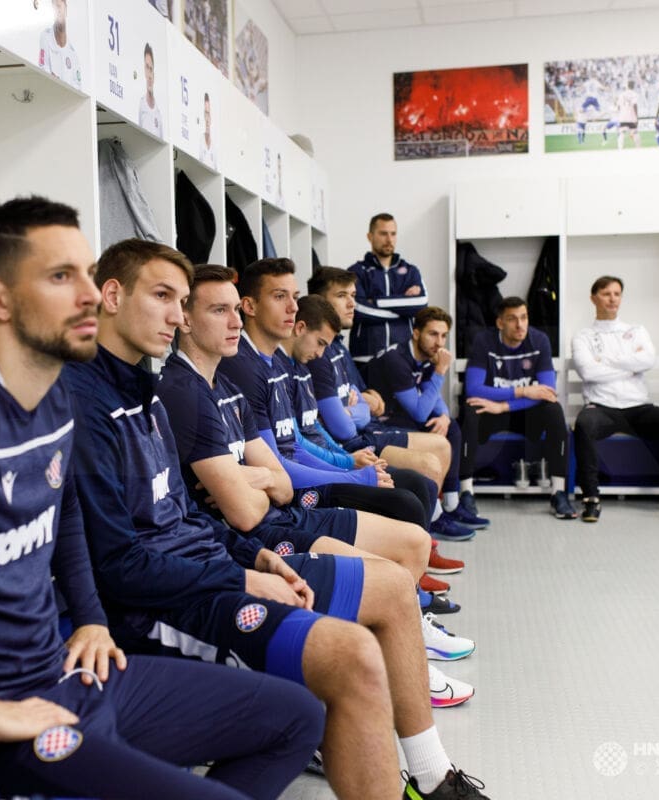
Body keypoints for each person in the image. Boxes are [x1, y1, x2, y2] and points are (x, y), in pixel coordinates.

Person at [0, 198, 324, 800]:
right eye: (61, 277)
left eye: (85, 273)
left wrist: (90, 620)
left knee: (296, 717)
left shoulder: (53, 393)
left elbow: (67, 512)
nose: (88, 294)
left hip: (65, 668)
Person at [64, 240, 490, 800]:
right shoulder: (91, 401)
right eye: (164, 297)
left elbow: (191, 514)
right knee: (354, 656)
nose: (175, 315)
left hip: (219, 563)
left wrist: (255, 558)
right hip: (165, 605)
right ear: (112, 296)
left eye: (182, 300)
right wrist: (243, 573)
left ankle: (432, 776)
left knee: (382, 598)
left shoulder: (148, 391)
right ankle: (431, 777)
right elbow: (120, 563)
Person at [157, 266, 476, 668]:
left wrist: (253, 477)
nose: (235, 321)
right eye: (220, 310)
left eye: (234, 309)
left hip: (279, 511)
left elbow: (282, 481)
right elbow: (245, 512)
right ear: (185, 319)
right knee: (394, 569)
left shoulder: (229, 385)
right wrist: (272, 480)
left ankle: (406, 639)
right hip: (253, 534)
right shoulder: (186, 391)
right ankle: (400, 651)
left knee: (412, 540)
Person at [219, 260, 473, 547]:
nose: (292, 306)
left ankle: (421, 550)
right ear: (250, 306)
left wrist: (348, 462)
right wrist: (350, 470)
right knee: (406, 499)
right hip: (287, 492)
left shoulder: (280, 362)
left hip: (313, 464)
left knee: (418, 483)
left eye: (294, 296)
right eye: (280, 296)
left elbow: (299, 438)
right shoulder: (248, 367)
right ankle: (416, 553)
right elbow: (286, 456)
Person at [570, 277, 659, 523]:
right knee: (583, 424)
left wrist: (605, 361)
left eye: (617, 294)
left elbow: (647, 360)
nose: (612, 299)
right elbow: (589, 372)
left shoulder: (636, 330)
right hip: (602, 408)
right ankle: (591, 499)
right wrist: (629, 366)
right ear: (593, 298)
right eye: (606, 294)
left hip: (638, 408)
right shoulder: (583, 336)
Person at [367, 305, 490, 530]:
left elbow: (432, 399)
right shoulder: (396, 359)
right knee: (435, 431)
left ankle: (452, 504)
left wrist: (444, 415)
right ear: (416, 333)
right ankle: (435, 516)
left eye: (443, 336)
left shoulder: (426, 357)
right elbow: (420, 412)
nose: (439, 342)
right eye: (433, 334)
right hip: (379, 424)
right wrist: (440, 371)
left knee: (450, 427)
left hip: (402, 415)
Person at [462, 297, 576, 519]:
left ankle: (559, 492)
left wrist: (504, 406)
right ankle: (466, 492)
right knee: (470, 410)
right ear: (500, 323)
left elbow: (547, 392)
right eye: (512, 319)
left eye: (524, 318)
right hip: (492, 412)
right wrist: (522, 391)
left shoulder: (539, 340)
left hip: (522, 413)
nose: (520, 325)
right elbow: (474, 389)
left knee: (553, 409)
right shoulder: (484, 341)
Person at [347, 214, 429, 371]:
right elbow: (358, 309)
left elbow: (421, 304)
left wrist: (375, 301)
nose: (389, 239)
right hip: (366, 358)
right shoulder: (356, 272)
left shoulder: (411, 271)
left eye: (393, 234)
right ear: (370, 236)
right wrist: (403, 309)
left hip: (403, 357)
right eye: (383, 233)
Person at [39, 0, 82, 90]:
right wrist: (53, 79)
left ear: (66, 9)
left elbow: (78, 87)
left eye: (59, 6)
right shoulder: (46, 37)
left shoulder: (73, 53)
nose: (57, 11)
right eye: (54, 8)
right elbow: (42, 67)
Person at [137, 43, 164, 138]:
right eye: (147, 68)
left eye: (151, 69)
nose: (149, 75)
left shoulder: (159, 113)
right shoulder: (140, 105)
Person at [615, 79, 640, 149]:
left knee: (622, 132)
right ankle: (638, 148)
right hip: (631, 116)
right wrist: (636, 117)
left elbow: (618, 107)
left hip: (623, 116)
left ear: (627, 86)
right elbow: (635, 105)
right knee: (635, 132)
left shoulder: (621, 94)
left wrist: (620, 115)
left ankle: (620, 149)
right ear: (633, 86)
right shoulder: (635, 94)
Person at [199, 92, 217, 169]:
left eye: (208, 114)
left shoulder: (215, 146)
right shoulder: (199, 141)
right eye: (205, 114)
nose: (207, 119)